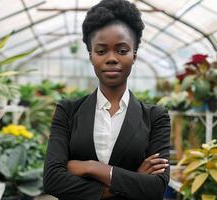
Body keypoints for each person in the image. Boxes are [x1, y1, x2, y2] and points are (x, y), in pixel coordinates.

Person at [43, 0, 171, 199]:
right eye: (101, 51)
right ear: (91, 55)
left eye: (122, 50)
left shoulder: (155, 117)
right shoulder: (68, 112)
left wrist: (92, 168)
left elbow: (156, 187)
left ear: (134, 55)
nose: (111, 58)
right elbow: (52, 179)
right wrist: (128, 183)